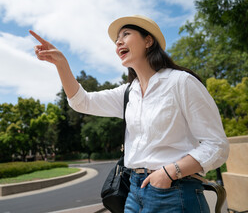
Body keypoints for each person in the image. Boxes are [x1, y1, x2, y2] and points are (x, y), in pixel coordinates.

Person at [29, 15, 229, 213]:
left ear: (148, 41)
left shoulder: (180, 82)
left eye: (126, 34)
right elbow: (82, 102)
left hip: (174, 192)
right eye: (117, 39)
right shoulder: (128, 92)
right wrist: (61, 64)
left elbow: (216, 145)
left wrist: (168, 173)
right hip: (134, 192)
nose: (118, 42)